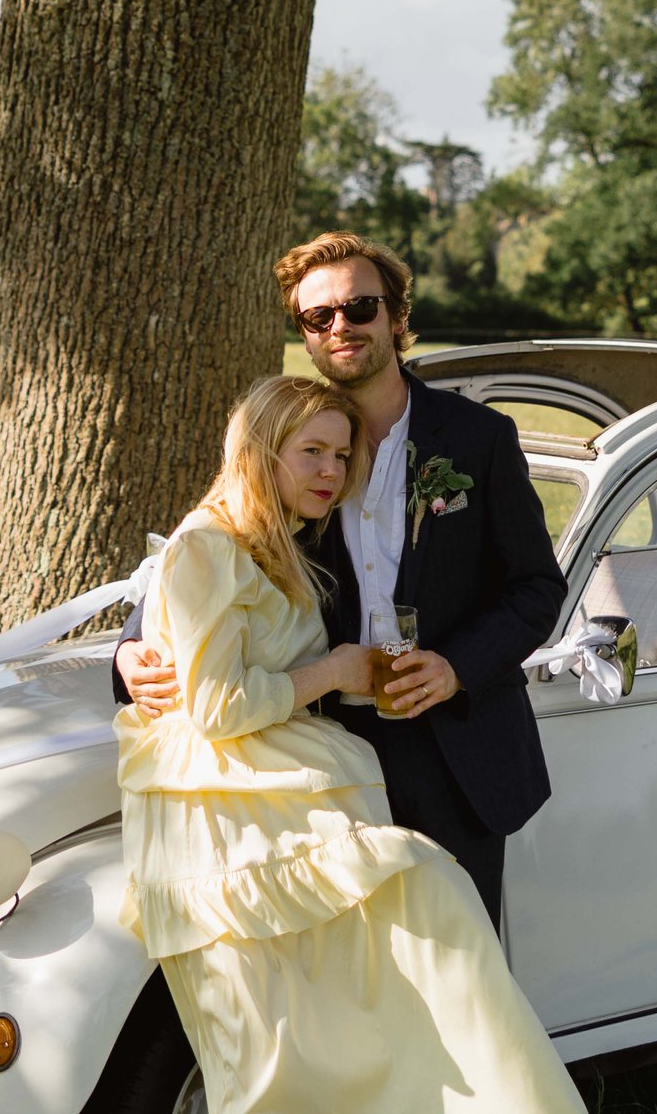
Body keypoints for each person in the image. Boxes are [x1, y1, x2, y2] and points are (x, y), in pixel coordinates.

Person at [116, 372, 621, 1114]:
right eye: (312, 453)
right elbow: (207, 694)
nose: (332, 471)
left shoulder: (317, 526)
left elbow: (531, 587)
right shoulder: (209, 547)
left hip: (315, 818)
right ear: (260, 445)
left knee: (344, 1057)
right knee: (260, 1073)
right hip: (230, 842)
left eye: (341, 457)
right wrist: (333, 672)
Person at [117, 232, 562, 927]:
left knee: (461, 958)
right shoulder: (302, 437)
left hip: (455, 747)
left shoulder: (479, 439)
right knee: (358, 973)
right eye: (317, 317)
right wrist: (128, 649)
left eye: (358, 308)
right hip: (321, 752)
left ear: (395, 316)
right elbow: (216, 535)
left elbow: (537, 589)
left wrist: (454, 667)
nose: (340, 328)